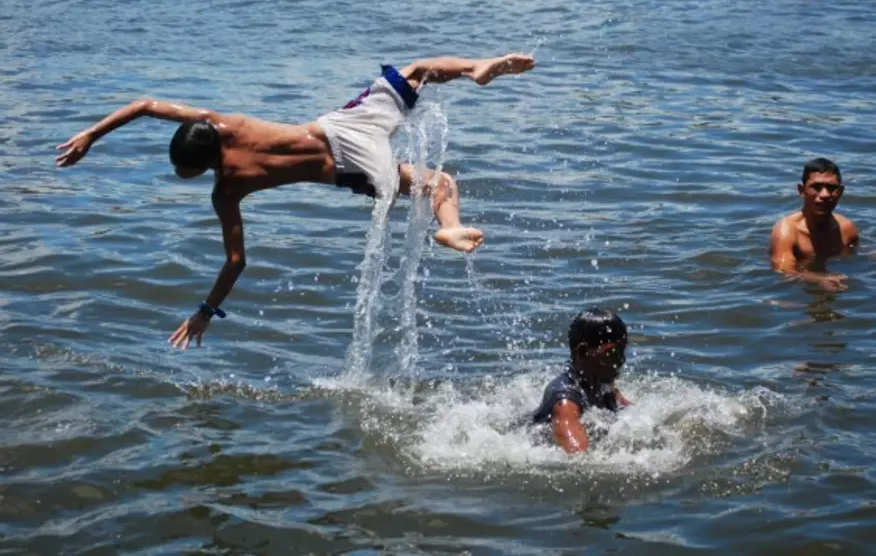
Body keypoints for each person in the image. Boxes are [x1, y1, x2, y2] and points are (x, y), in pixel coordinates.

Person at [55, 54, 536, 349]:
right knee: (415, 72)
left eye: (183, 168)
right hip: (339, 128)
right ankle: (474, 71)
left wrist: (205, 311)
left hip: (345, 170)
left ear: (201, 165)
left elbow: (236, 261)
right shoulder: (222, 122)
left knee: (434, 182)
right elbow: (144, 105)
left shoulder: (227, 190)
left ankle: (448, 226)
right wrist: (91, 135)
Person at [530, 308, 632, 454]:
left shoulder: (602, 383)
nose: (620, 362)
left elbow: (632, 413)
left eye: (622, 352)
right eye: (611, 354)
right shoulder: (565, 403)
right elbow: (578, 455)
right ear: (582, 352)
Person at [770, 158, 857, 291]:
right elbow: (783, 272)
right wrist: (820, 279)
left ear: (840, 192)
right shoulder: (787, 230)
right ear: (801, 191)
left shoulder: (846, 228)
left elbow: (858, 252)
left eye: (832, 188)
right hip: (797, 290)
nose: (825, 195)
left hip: (832, 278)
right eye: (816, 187)